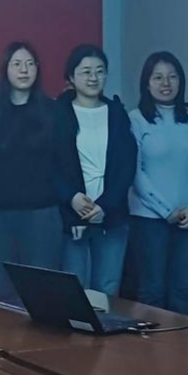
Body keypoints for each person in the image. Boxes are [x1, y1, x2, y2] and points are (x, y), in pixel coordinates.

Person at [0, 43, 63, 299]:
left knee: (43, 292)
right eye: (16, 64)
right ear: (5, 69)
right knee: (1, 290)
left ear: (37, 69)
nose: (24, 70)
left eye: (29, 64)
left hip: (42, 213)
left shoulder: (54, 111)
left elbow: (63, 162)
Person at [129, 52, 188, 314]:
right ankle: (149, 342)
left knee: (183, 290)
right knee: (152, 291)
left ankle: (184, 342)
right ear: (146, 83)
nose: (166, 83)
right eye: (158, 77)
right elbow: (136, 172)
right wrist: (166, 210)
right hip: (149, 219)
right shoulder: (136, 119)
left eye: (172, 76)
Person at [55, 45, 137, 296]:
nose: (93, 77)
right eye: (86, 71)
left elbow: (127, 165)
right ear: (71, 77)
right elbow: (50, 165)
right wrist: (71, 198)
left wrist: (105, 205)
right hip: (72, 214)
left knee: (107, 290)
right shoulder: (58, 113)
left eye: (100, 71)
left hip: (111, 215)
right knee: (73, 291)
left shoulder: (117, 113)